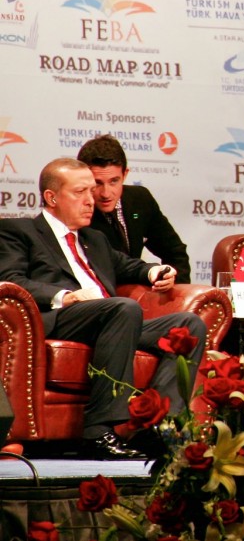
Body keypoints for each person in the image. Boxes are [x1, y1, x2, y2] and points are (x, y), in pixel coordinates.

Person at [0, 158, 207, 460]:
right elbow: (11, 280)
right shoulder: (19, 232)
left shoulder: (94, 239)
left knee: (187, 325)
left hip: (112, 322)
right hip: (61, 319)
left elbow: (128, 266)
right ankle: (97, 431)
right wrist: (64, 296)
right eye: (80, 192)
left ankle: (160, 429)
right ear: (51, 198)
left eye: (92, 190)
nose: (91, 200)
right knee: (122, 309)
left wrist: (155, 272)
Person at [77, 134, 191, 283]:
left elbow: (175, 252)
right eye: (97, 183)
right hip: (103, 299)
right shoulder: (77, 211)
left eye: (114, 181)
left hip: (141, 292)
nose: (106, 193)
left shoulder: (140, 199)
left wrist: (173, 287)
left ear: (125, 174)